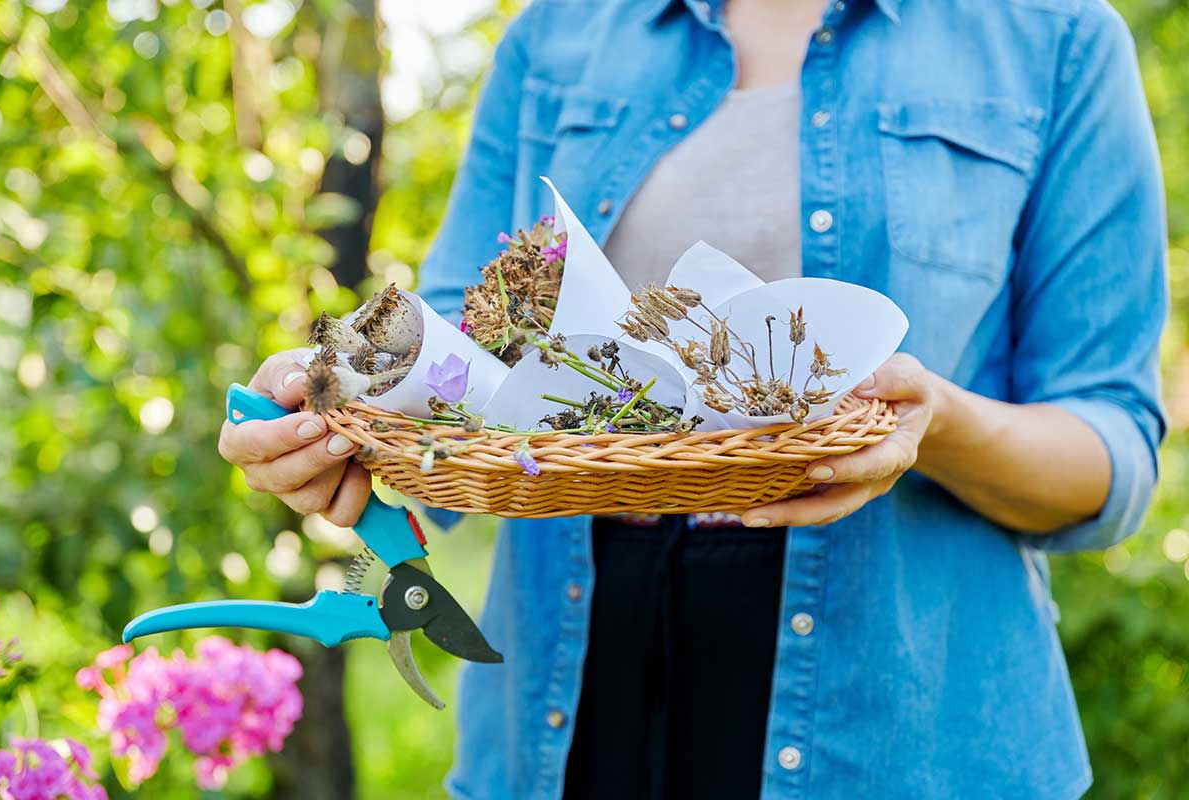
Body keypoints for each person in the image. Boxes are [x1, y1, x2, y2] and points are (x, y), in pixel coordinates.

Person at [217, 0, 1167, 797]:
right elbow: (460, 364)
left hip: (899, 725)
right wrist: (338, 411)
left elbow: (1108, 456)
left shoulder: (1052, 37)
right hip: (572, 689)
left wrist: (937, 423)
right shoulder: (564, 35)